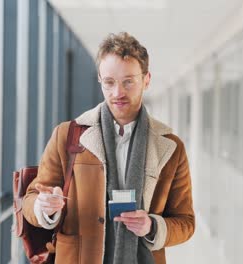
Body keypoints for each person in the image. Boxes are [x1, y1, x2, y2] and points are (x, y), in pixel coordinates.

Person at [23, 32, 195, 264]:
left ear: (146, 79)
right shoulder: (67, 135)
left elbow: (185, 222)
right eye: (109, 82)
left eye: (128, 81)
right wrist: (43, 207)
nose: (117, 93)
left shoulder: (171, 147)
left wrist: (152, 226)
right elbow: (31, 200)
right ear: (100, 80)